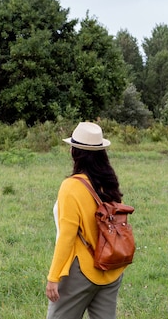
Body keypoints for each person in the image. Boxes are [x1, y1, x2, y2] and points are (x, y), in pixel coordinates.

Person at [46, 121, 128, 319]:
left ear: (75, 151)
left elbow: (67, 236)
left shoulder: (71, 187)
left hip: (80, 272)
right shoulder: (109, 182)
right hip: (111, 267)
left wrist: (53, 277)